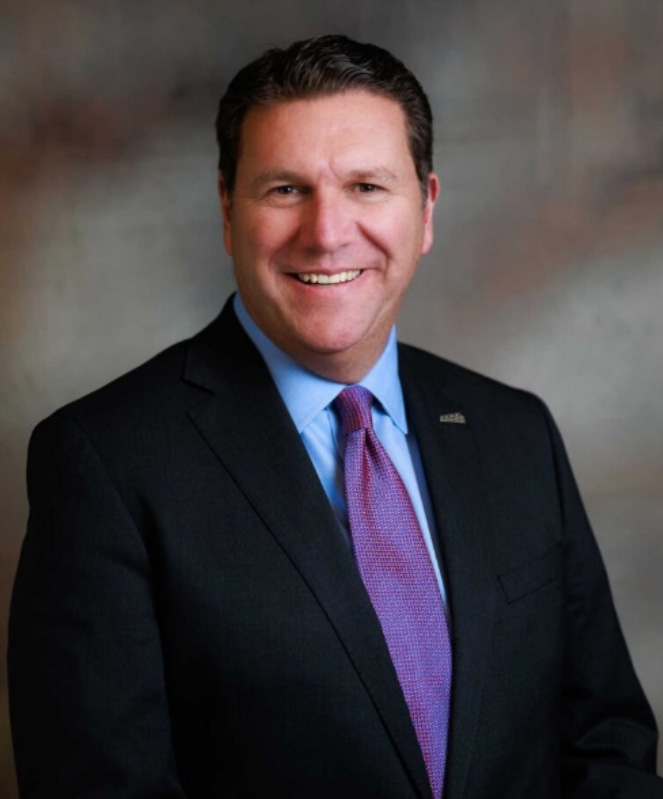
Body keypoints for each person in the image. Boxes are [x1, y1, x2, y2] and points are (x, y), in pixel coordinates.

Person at [8, 34, 662, 799]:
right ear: (227, 210)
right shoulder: (105, 461)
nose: (326, 231)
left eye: (366, 186)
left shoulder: (515, 433)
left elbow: (607, 742)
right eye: (285, 189)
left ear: (424, 210)